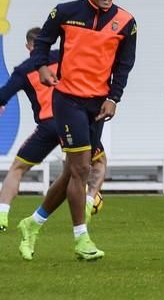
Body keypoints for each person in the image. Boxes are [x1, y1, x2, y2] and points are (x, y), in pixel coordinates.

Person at [17, 0, 137, 261]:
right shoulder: (66, 12)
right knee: (83, 169)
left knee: (73, 170)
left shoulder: (126, 22)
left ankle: (33, 222)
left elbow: (124, 66)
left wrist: (114, 98)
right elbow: (42, 43)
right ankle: (81, 238)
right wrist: (42, 67)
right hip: (67, 99)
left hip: (98, 105)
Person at [0, 28, 108, 233]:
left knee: (18, 168)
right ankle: (88, 199)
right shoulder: (63, 56)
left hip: (47, 127)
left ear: (28, 46)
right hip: (72, 121)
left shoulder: (24, 69)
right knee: (97, 163)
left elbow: (3, 94)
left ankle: (2, 213)